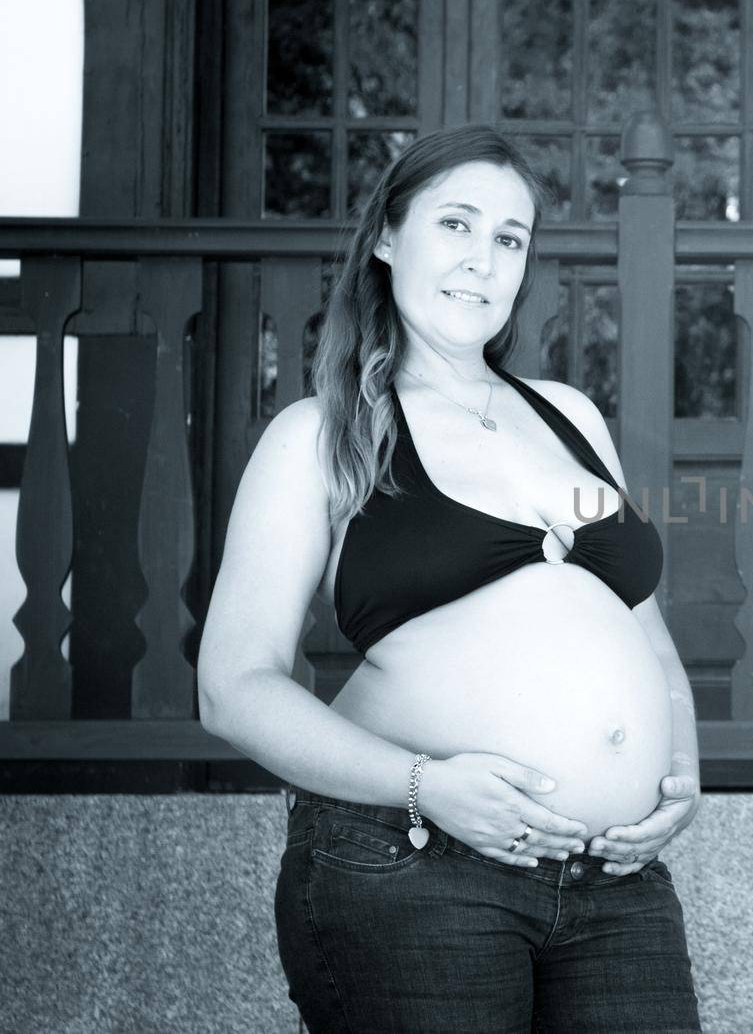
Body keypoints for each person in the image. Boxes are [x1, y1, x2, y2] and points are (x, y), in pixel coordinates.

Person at [197, 124, 703, 1033]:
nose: (483, 260)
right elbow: (234, 687)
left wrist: (679, 770)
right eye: (456, 225)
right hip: (415, 864)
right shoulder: (319, 435)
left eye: (509, 238)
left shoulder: (573, 416)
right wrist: (426, 784)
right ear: (388, 238)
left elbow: (647, 634)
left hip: (613, 880)